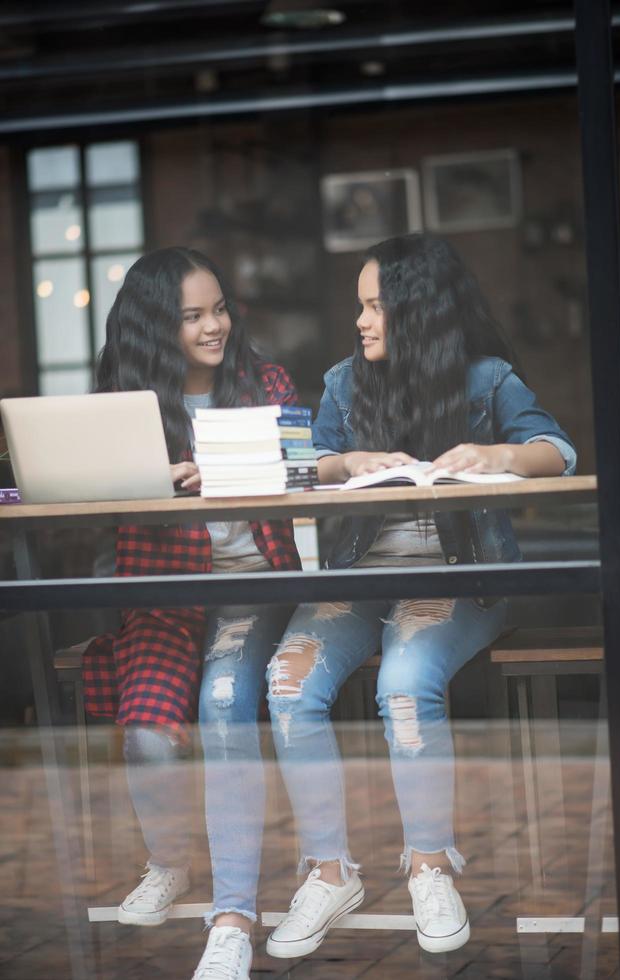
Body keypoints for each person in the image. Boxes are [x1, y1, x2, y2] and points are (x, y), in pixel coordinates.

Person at [264, 232, 576, 958]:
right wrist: (347, 461)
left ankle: (430, 866)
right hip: (363, 577)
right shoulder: (345, 383)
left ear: (419, 310)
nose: (362, 321)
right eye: (361, 307)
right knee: (288, 684)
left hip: (459, 577)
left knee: (405, 685)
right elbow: (301, 467)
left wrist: (499, 454)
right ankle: (328, 869)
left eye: (376, 306)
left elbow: (558, 451)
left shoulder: (488, 379)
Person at [83, 246, 301, 980]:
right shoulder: (124, 400)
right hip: (164, 591)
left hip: (249, 584)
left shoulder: (263, 379)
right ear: (154, 326)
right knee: (146, 733)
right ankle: (168, 861)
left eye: (220, 309)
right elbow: (94, 499)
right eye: (193, 316)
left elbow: (305, 466)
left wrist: (232, 471)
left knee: (220, 706)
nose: (215, 326)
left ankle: (233, 910)